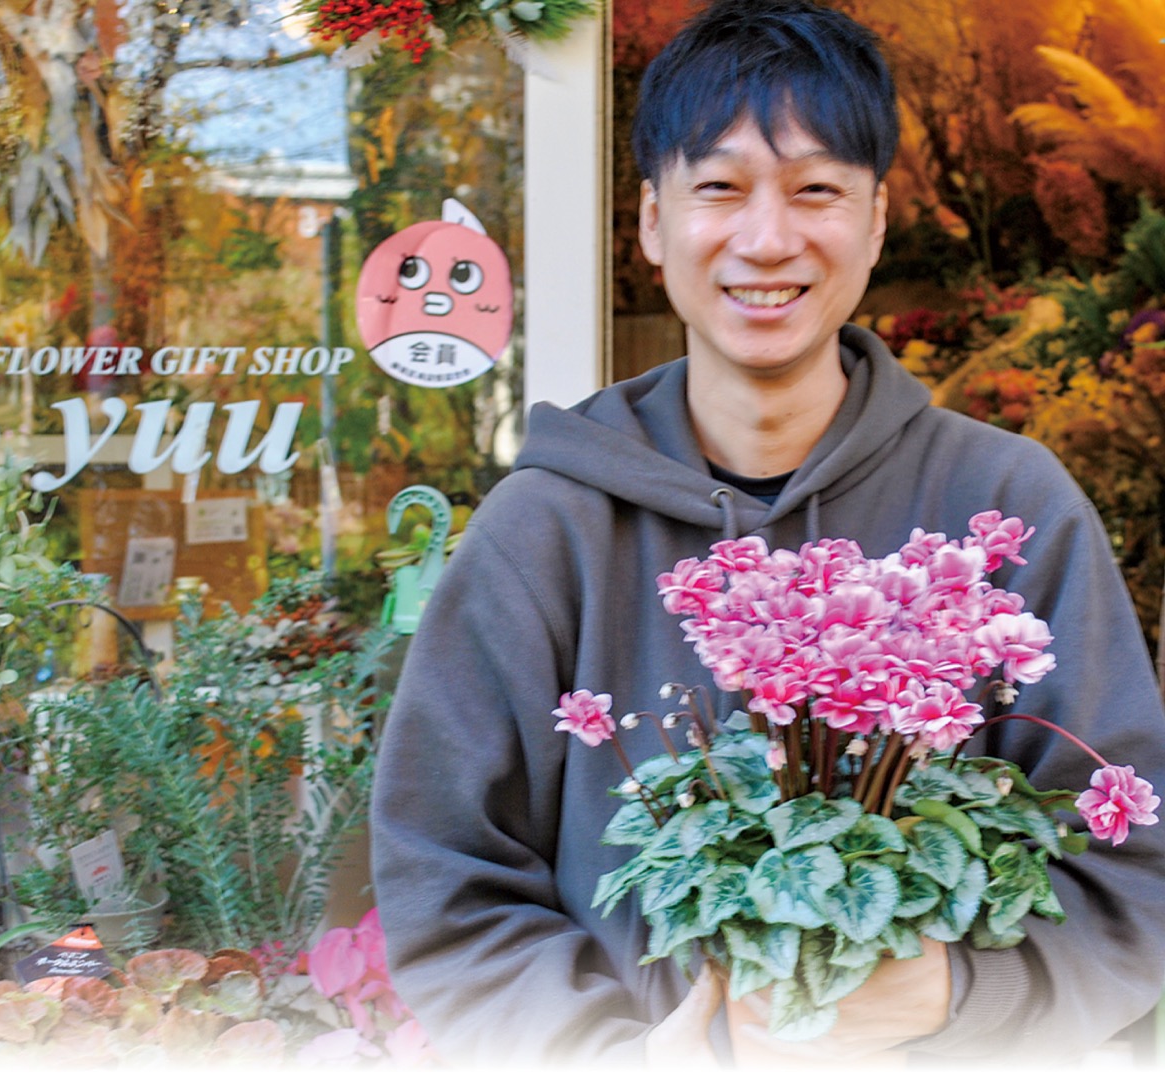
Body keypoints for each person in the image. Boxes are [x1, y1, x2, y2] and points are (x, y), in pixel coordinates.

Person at [369, 0, 1165, 1066]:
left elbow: (1132, 872)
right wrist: (612, 1052)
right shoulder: (548, 527)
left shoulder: (1007, 505)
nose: (767, 239)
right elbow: (444, 876)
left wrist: (962, 993)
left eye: (816, 189)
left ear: (876, 221)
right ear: (652, 222)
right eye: (720, 187)